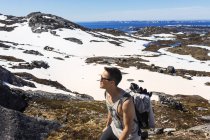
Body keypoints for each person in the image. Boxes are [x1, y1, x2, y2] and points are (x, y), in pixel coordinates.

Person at [100, 67, 140, 140]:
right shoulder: (107, 93)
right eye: (100, 77)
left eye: (103, 78)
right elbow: (111, 110)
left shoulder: (126, 102)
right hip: (114, 128)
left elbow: (127, 129)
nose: (100, 80)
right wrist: (107, 126)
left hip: (130, 136)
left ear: (112, 83)